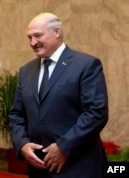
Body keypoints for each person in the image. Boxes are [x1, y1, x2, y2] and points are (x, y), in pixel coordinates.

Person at [9, 12, 108, 178]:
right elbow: (16, 114)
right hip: (38, 168)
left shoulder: (86, 65)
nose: (33, 42)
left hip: (77, 166)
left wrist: (64, 147)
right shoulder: (26, 71)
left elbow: (96, 112)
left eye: (38, 35)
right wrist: (22, 144)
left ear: (57, 32)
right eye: (29, 37)